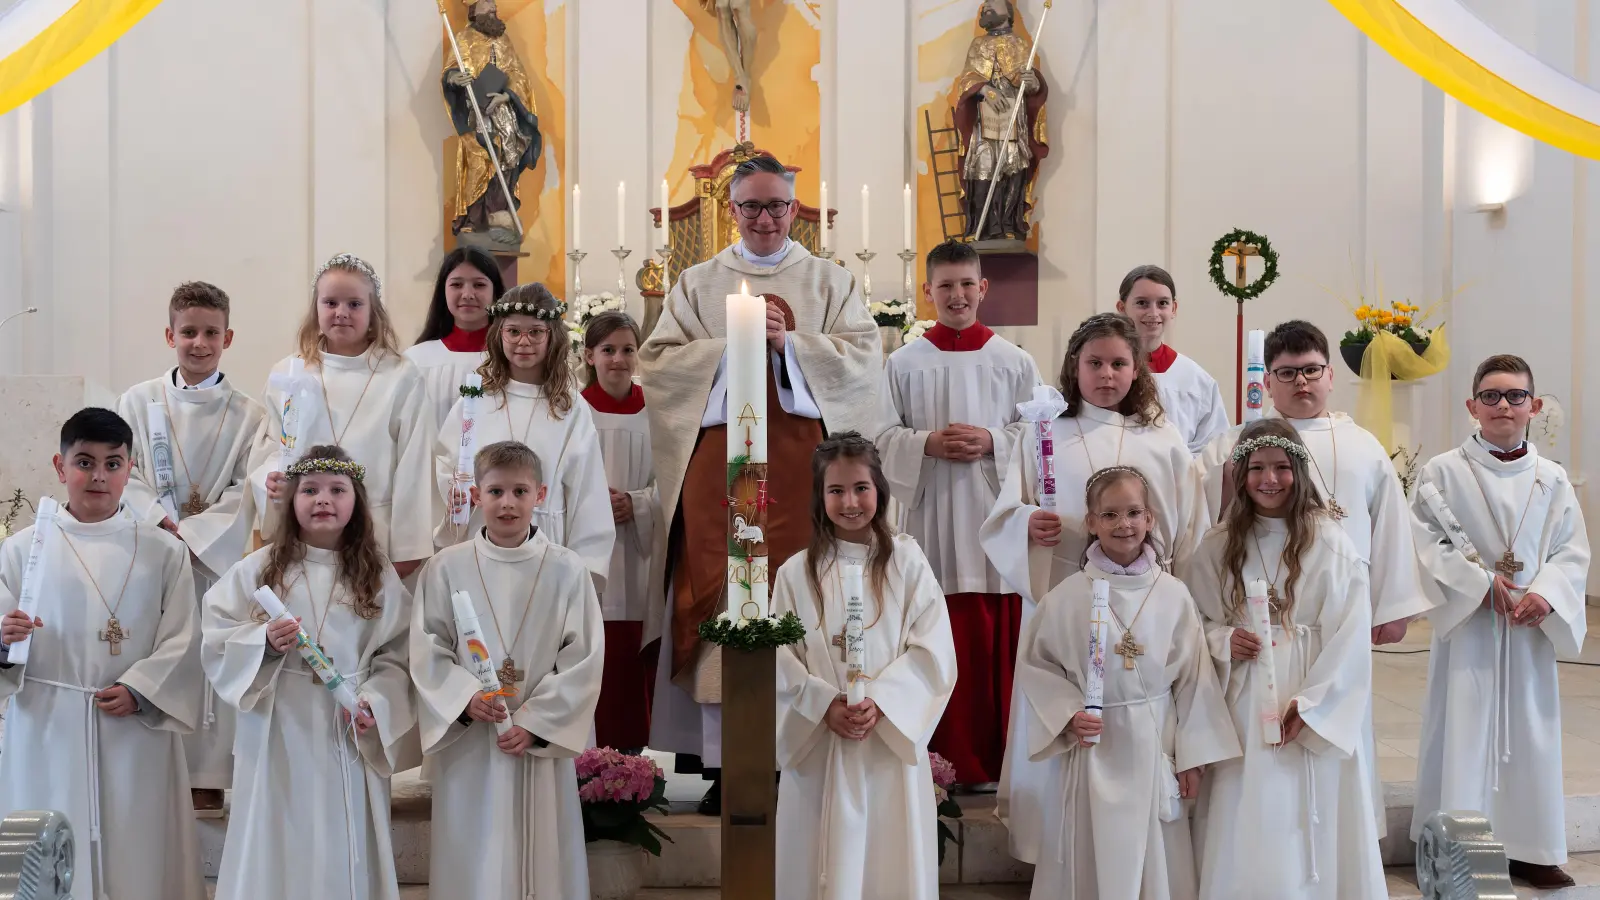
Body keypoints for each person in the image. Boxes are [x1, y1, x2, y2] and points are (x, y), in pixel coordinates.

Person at [641, 153, 880, 813]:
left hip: (807, 472)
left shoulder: (829, 281)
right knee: (720, 593)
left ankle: (794, 749)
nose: (766, 218)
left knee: (797, 593)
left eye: (778, 205)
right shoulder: (696, 282)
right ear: (733, 208)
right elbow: (656, 365)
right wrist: (731, 346)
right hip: (720, 468)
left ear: (796, 209)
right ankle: (725, 765)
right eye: (751, 206)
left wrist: (792, 346)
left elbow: (864, 361)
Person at [979, 311, 1206, 864]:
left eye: (1119, 363)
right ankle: (1059, 851)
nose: (1107, 374)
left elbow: (1192, 527)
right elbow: (1007, 511)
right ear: (1073, 368)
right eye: (1095, 363)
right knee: (1062, 714)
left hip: (1146, 604)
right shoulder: (1045, 433)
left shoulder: (1162, 438)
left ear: (1138, 370)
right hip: (1064, 601)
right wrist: (1027, 525)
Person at [1195, 319, 1432, 837]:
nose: (1301, 383)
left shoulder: (1363, 445)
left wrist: (1393, 606)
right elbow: (1206, 526)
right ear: (1269, 380)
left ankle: (1342, 840)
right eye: (1287, 373)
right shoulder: (1233, 444)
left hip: (1333, 620)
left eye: (1311, 371)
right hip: (1253, 629)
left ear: (1329, 375)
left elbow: (1389, 522)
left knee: (1339, 717)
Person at [0, 407, 205, 900]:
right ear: (60, 465)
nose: (98, 476)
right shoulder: (20, 550)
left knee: (138, 849)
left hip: (133, 724)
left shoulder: (163, 551)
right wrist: (4, 640)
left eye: (113, 464)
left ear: (130, 469)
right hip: (47, 724)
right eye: (84, 462)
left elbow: (184, 637)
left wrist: (143, 689)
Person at [1409, 355, 1591, 890]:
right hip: (1471, 628)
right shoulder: (1442, 472)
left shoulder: (1552, 479)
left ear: (1534, 406)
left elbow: (1571, 552)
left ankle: (1534, 849)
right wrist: (1477, 587)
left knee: (1531, 733)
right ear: (1472, 407)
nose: (1503, 405)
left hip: (1526, 630)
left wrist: (1547, 595)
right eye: (1490, 396)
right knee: (1464, 732)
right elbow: (1425, 544)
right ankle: (1461, 853)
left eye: (1514, 396)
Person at [203, 445, 417, 900]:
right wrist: (262, 642)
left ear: (356, 502)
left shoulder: (376, 575)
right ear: (291, 501)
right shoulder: (258, 569)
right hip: (280, 722)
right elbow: (217, 634)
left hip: (347, 726)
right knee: (279, 835)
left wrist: (377, 702)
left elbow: (399, 653)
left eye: (337, 489)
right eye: (310, 490)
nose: (323, 499)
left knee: (344, 836)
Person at [1015, 465, 1238, 900]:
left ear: (1150, 519)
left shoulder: (1174, 594)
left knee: (1155, 857)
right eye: (1111, 514)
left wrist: (1192, 755)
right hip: (1094, 746)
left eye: (1134, 512)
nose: (1124, 524)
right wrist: (1067, 715)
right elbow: (1037, 667)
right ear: (1092, 522)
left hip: (1155, 739)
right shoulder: (1065, 597)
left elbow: (1195, 680)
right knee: (1090, 849)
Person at [1183, 420, 1385, 899]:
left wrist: (1314, 704)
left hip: (1309, 692)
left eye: (1279, 467)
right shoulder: (1217, 545)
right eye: (1255, 468)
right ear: (1239, 473)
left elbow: (1351, 635)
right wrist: (1223, 640)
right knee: (1246, 806)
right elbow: (1191, 621)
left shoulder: (1331, 542)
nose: (1268, 479)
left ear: (1299, 468)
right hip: (1243, 699)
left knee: (1307, 807)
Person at [874, 238, 1038, 788]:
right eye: (945, 285)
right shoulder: (902, 362)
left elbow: (1040, 437)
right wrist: (926, 445)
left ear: (983, 288)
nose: (957, 295)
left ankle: (996, 764)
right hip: (930, 517)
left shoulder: (1015, 361)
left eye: (967, 284)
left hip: (994, 522)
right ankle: (939, 761)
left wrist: (993, 439)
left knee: (995, 637)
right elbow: (880, 436)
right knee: (932, 624)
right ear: (928, 293)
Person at [411, 440, 604, 898]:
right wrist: (463, 698)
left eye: (520, 491)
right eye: (495, 491)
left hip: (537, 745)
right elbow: (426, 646)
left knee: (543, 851)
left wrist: (537, 724)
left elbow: (585, 656)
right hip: (472, 740)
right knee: (472, 849)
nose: (507, 503)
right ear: (476, 496)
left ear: (540, 495)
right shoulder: (445, 567)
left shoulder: (567, 570)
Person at [772, 433, 956, 900]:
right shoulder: (795, 573)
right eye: (835, 491)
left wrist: (881, 701)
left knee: (886, 864)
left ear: (880, 490)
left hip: (885, 743)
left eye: (861, 488)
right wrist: (823, 704)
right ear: (819, 496)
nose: (850, 502)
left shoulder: (908, 563)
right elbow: (779, 658)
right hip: (820, 742)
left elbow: (933, 650)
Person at [115, 280, 267, 812]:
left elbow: (247, 485)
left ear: (229, 337)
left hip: (210, 562)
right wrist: (162, 522)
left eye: (210, 333)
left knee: (209, 657)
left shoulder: (250, 414)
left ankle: (206, 776)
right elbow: (123, 473)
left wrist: (195, 535)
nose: (198, 343)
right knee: (159, 652)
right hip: (152, 554)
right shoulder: (137, 402)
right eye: (188, 332)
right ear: (169, 334)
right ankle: (155, 767)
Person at [249, 253, 434, 578]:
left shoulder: (401, 376)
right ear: (315, 308)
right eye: (331, 302)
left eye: (354, 304)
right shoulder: (289, 373)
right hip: (303, 532)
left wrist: (408, 547)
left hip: (376, 536)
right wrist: (272, 478)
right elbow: (271, 447)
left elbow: (414, 464)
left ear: (373, 310)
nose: (341, 313)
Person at [435, 283, 613, 586]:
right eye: (513, 332)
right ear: (499, 334)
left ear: (552, 337)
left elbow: (587, 489)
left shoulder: (568, 406)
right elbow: (449, 461)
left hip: (546, 545)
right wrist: (455, 492)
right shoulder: (476, 398)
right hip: (483, 536)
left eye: (535, 332)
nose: (524, 342)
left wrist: (585, 566)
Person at [580, 311, 661, 751]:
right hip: (592, 551)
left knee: (632, 656)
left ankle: (630, 762)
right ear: (589, 354)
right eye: (608, 350)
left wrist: (638, 503)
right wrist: (595, 506)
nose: (618, 359)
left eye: (628, 349)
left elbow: (673, 478)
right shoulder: (573, 408)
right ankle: (590, 760)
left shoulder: (657, 408)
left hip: (639, 551)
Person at [1115, 265, 1228, 455]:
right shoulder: (1106, 373)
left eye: (1162, 303)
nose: (1153, 312)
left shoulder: (1196, 379)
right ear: (1122, 308)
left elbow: (1214, 448)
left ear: (1173, 308)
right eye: (1142, 303)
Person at [407, 247, 505, 429]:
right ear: (443, 291)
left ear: (495, 293)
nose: (467, 294)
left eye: (479, 285)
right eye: (457, 285)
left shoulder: (512, 359)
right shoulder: (416, 360)